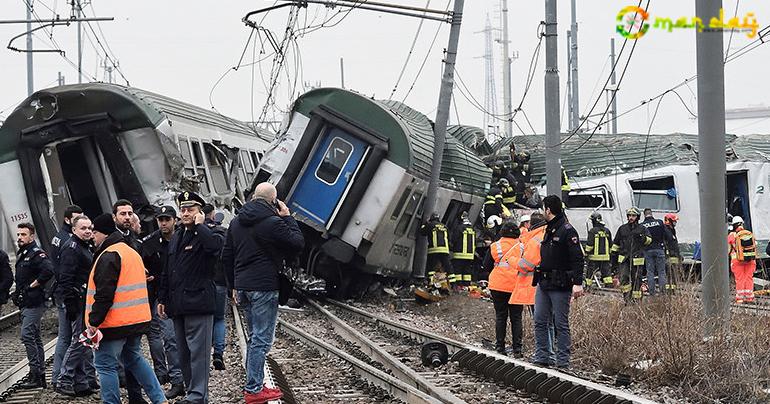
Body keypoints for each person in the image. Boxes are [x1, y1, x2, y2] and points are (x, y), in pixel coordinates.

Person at [222, 182, 304, 403]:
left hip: (243, 286)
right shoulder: (274, 222)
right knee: (261, 339)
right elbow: (297, 243)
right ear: (273, 201)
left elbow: (226, 256)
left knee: (253, 338)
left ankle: (254, 384)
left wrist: (232, 286)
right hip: (264, 286)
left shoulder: (236, 222)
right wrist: (287, 217)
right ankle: (254, 389)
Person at [85, 213, 166, 404]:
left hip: (114, 323)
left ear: (103, 233)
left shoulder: (109, 255)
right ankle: (159, 399)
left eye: (94, 232)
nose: (92, 237)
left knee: (105, 365)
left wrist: (94, 321)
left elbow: (104, 294)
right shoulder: (130, 251)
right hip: (135, 320)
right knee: (134, 358)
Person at [158, 191, 224, 404]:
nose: (185, 213)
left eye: (191, 209)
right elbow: (169, 270)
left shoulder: (209, 232)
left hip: (198, 303)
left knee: (199, 353)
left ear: (200, 212)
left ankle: (197, 395)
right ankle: (192, 393)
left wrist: (200, 226)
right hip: (178, 304)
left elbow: (214, 248)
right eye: (183, 209)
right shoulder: (177, 236)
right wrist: (162, 298)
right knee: (184, 353)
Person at [532, 195, 584, 369]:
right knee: (540, 320)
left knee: (560, 323)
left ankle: (563, 361)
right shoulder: (549, 229)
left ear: (548, 210)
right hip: (544, 282)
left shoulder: (567, 230)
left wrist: (577, 283)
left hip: (560, 284)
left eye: (543, 208)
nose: (541, 212)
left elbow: (578, 258)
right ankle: (542, 357)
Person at [140, 206, 185, 399]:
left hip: (185, 294)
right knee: (170, 339)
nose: (164, 223)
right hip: (163, 296)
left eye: (167, 219)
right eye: (161, 220)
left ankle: (190, 378)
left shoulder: (185, 237)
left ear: (175, 220)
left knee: (188, 339)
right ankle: (177, 380)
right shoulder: (150, 243)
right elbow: (140, 264)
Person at [55, 215, 99, 397]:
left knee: (84, 341)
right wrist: (70, 303)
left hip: (84, 300)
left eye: (89, 228)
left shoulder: (84, 246)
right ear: (74, 230)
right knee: (80, 341)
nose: (88, 231)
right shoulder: (72, 249)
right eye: (83, 228)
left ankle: (80, 382)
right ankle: (64, 379)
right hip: (77, 300)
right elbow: (65, 278)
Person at [12, 223, 55, 389]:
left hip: (35, 301)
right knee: (35, 337)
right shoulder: (23, 253)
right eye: (19, 235)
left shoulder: (37, 254)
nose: (20, 238)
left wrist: (32, 285)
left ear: (32, 236)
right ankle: (39, 375)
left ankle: (35, 373)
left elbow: (48, 271)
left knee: (27, 335)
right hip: (26, 302)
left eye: (23, 234)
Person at [51, 205, 84, 390]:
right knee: (69, 338)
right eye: (77, 218)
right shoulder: (69, 241)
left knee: (67, 338)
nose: (80, 220)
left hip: (63, 292)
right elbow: (65, 271)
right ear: (68, 220)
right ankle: (60, 377)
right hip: (68, 294)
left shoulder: (58, 237)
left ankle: (67, 377)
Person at [507, 212, 547, 358]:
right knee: (552, 322)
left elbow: (526, 265)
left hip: (534, 286)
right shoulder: (550, 234)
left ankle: (543, 354)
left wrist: (512, 260)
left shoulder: (534, 240)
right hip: (551, 285)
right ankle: (552, 354)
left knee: (541, 322)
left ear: (531, 224)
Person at [484, 220, 521, 356]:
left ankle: (500, 347)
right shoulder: (522, 247)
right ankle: (518, 349)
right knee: (516, 317)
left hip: (498, 285)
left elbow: (486, 265)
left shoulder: (495, 246)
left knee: (501, 316)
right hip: (516, 286)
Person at [202, 203, 228, 371]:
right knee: (219, 318)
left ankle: (202, 354)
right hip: (220, 281)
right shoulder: (222, 233)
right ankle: (218, 353)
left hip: (203, 283)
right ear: (212, 215)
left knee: (203, 319)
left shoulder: (195, 232)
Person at [611, 207, 651, 303]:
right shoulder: (622, 229)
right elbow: (616, 243)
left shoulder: (642, 229)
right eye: (629, 215)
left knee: (637, 279)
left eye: (633, 216)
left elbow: (649, 240)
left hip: (637, 258)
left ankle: (637, 300)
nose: (631, 218)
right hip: (624, 258)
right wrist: (613, 257)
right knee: (624, 278)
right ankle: (627, 299)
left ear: (637, 217)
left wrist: (642, 238)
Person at [641, 208, 673, 296]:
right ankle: (663, 292)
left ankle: (652, 292)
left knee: (650, 272)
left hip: (648, 250)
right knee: (661, 272)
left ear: (644, 215)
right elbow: (668, 236)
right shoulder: (659, 222)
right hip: (659, 249)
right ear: (651, 214)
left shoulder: (642, 225)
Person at [728, 216, 756, 303]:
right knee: (749, 278)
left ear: (733, 225)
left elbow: (728, 250)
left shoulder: (731, 236)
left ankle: (740, 299)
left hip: (737, 261)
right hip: (750, 260)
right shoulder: (749, 234)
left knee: (740, 279)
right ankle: (749, 297)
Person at [584, 213, 613, 289]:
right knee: (607, 274)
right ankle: (609, 288)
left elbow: (589, 245)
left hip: (594, 258)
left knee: (590, 274)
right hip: (606, 258)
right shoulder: (607, 231)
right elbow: (611, 245)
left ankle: (587, 288)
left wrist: (586, 253)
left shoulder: (592, 231)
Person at [419, 213, 453, 277]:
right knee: (448, 266)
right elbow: (449, 239)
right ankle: (453, 283)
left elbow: (422, 232)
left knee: (431, 267)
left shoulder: (430, 225)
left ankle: (430, 282)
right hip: (445, 250)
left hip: (434, 250)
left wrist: (424, 224)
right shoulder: (444, 226)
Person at [450, 212, 476, 288]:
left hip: (459, 254)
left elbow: (454, 239)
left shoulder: (459, 228)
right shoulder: (472, 229)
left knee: (458, 270)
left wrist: (451, 246)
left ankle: (458, 285)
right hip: (470, 255)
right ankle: (466, 285)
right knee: (467, 271)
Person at [663, 213, 682, 292]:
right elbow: (667, 243)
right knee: (669, 274)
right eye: (674, 221)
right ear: (669, 221)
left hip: (674, 255)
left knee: (674, 274)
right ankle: (669, 290)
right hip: (669, 255)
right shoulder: (666, 231)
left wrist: (679, 255)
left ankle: (673, 289)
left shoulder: (672, 230)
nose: (675, 223)